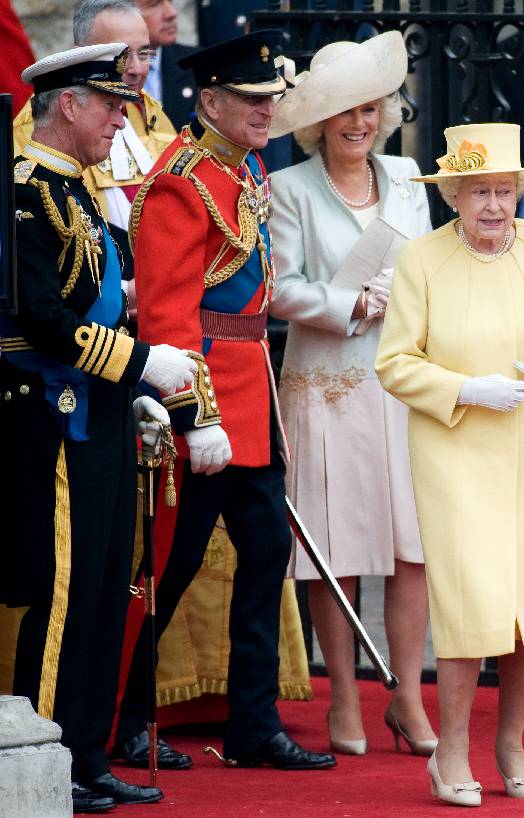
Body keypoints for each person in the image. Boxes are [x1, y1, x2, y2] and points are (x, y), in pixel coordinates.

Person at [375, 122, 524, 807]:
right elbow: (394, 362)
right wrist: (464, 389)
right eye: (479, 192)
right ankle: (449, 747)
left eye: (505, 191)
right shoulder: (422, 260)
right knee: (472, 600)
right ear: (452, 193)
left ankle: (510, 742)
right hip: (455, 453)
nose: (494, 206)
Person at [123, 29, 336, 771]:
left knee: (268, 550)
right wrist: (196, 414)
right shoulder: (182, 178)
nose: (264, 111)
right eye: (250, 100)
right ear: (209, 100)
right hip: (205, 396)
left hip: (252, 394)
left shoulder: (243, 169)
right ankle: (125, 717)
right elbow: (168, 313)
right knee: (169, 565)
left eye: (270, 99)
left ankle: (252, 724)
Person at [0, 42, 197, 814]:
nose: (123, 115)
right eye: (109, 103)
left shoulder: (82, 190)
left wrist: (136, 380)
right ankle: (44, 754)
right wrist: (141, 362)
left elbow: (108, 294)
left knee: (107, 588)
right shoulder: (23, 194)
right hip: (54, 418)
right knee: (63, 592)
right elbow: (39, 321)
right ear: (68, 105)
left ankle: (84, 751)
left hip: (103, 408)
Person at [267, 31, 437, 757]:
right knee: (332, 548)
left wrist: (407, 301)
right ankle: (343, 694)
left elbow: (429, 264)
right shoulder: (288, 188)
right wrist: (351, 308)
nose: (359, 122)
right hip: (326, 386)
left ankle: (407, 694)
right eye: (344, 111)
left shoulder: (405, 176)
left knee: (413, 550)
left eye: (369, 109)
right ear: (319, 122)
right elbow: (279, 288)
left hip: (400, 382)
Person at [13, 0, 176, 301]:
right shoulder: (32, 128)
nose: (138, 69)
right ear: (81, 53)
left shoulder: (153, 113)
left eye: (144, 53)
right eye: (122, 56)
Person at [134, 0, 197, 129]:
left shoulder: (199, 64)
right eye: (154, 4)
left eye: (170, 2)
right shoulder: (101, 71)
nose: (172, 13)